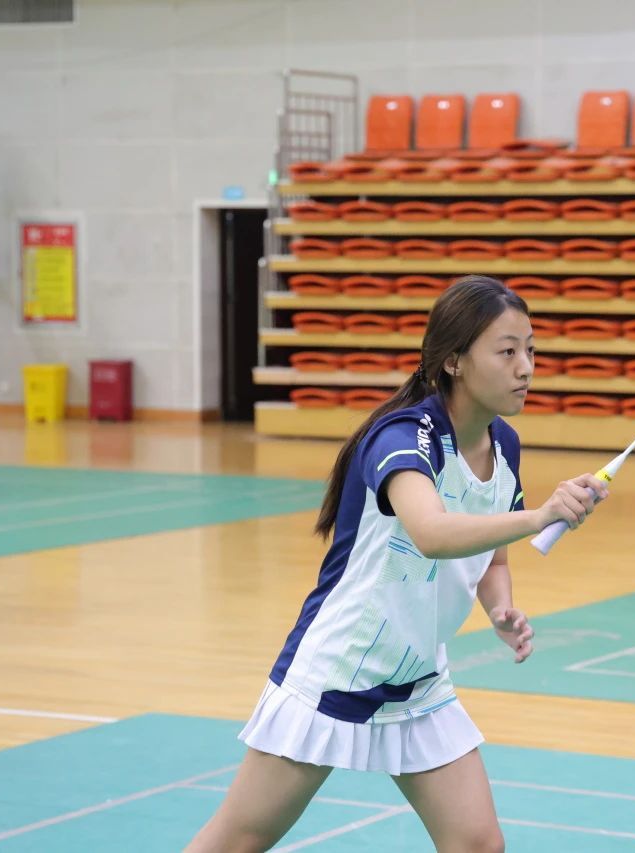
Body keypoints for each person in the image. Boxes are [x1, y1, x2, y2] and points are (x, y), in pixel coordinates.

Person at [187, 275, 609, 852]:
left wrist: (500, 608)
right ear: (455, 361)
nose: (526, 368)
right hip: (340, 669)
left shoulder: (503, 443)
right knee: (238, 841)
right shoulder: (404, 438)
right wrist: (540, 516)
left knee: (479, 845)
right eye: (507, 352)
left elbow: (491, 557)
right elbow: (432, 533)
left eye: (530, 350)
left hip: (417, 676)